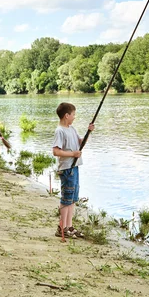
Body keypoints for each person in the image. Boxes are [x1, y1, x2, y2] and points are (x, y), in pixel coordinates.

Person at [52, 102, 95, 239]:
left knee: (72, 199)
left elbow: (80, 144)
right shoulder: (60, 131)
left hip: (75, 167)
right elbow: (56, 151)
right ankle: (61, 228)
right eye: (73, 114)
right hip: (66, 169)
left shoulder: (72, 129)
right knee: (66, 198)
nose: (74, 117)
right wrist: (72, 154)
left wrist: (89, 132)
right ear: (66, 115)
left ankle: (69, 227)